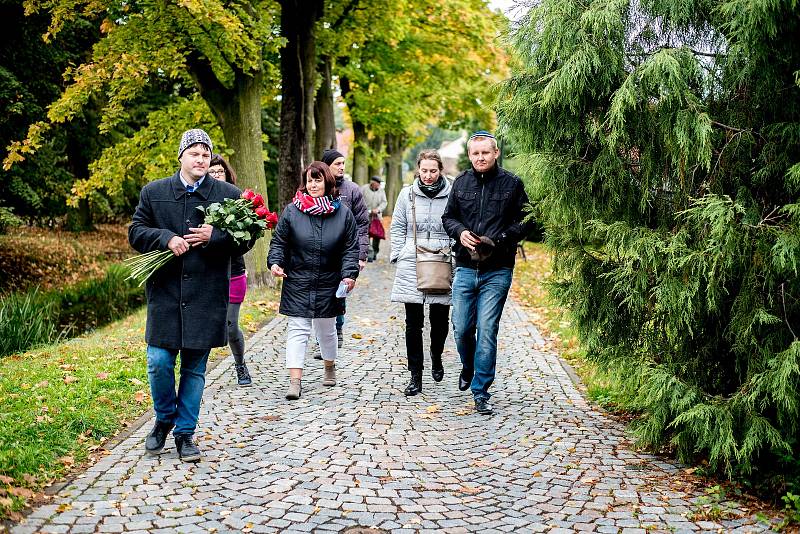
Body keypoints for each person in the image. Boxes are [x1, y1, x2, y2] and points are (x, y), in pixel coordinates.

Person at [129, 129, 254, 461]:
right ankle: (163, 418)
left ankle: (185, 434)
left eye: (205, 154)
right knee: (158, 362)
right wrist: (166, 238)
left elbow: (246, 240)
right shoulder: (154, 192)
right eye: (194, 153)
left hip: (206, 294)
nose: (201, 160)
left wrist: (217, 236)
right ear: (181, 156)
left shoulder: (228, 193)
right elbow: (136, 232)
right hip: (166, 294)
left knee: (194, 369)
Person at [441, 131, 534, 415]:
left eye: (485, 152)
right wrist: (461, 233)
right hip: (466, 267)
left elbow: (527, 220)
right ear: (470, 156)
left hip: (498, 269)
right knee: (461, 329)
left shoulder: (512, 184)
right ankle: (468, 367)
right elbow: (448, 217)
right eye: (475, 153)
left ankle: (481, 390)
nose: (480, 157)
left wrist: (503, 239)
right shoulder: (461, 183)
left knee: (487, 329)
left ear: (495, 153)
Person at [268, 161, 360, 400]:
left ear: (327, 182)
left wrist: (349, 274)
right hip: (298, 278)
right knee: (297, 329)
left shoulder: (343, 213)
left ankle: (329, 366)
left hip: (330, 281)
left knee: (326, 330)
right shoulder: (292, 211)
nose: (313, 184)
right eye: (310, 180)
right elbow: (279, 242)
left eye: (318, 180)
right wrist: (275, 262)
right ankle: (295, 381)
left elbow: (351, 248)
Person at [390, 150, 453, 396]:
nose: (428, 175)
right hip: (411, 262)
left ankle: (436, 355)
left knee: (440, 319)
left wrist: (454, 254)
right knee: (412, 323)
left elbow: (459, 224)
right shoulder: (407, 195)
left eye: (433, 171)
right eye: (424, 170)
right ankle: (415, 375)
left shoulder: (452, 194)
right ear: (418, 169)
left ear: (440, 171)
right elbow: (397, 226)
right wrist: (398, 254)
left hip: (441, 260)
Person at [208, 154, 252, 387]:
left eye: (219, 172)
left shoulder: (237, 202)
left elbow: (244, 240)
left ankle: (240, 364)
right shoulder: (202, 202)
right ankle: (197, 371)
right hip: (208, 273)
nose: (216, 176)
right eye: (212, 172)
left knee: (230, 325)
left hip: (234, 271)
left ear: (227, 174)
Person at [320, 149, 369, 349]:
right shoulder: (317, 187)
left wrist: (361, 254)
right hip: (321, 252)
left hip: (344, 252)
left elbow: (362, 224)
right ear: (326, 166)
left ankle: (337, 329)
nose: (341, 167)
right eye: (337, 164)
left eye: (343, 163)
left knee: (339, 293)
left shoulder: (352, 190)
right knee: (321, 294)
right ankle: (322, 338)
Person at [361, 176, 388, 262]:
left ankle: (375, 252)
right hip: (365, 216)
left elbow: (384, 202)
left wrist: (378, 209)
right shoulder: (364, 189)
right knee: (366, 235)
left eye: (379, 184)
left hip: (376, 217)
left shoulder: (381, 191)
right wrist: (365, 210)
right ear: (372, 183)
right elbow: (360, 200)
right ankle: (369, 254)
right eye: (377, 184)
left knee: (377, 235)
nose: (379, 186)